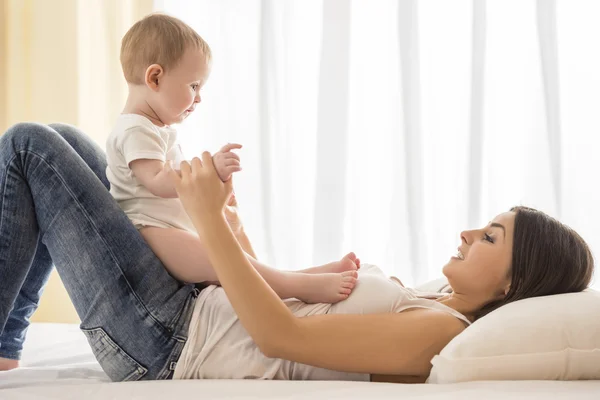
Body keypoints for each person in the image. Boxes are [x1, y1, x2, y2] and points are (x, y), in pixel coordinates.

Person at [0, 123, 594, 381]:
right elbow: (275, 303)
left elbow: (281, 338)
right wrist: (229, 223)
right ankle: (5, 346)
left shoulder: (439, 332)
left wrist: (207, 220)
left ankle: (3, 341)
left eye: (490, 237)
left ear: (515, 285)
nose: (468, 232)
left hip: (165, 339)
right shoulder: (432, 298)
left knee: (31, 147)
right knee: (69, 142)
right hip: (191, 308)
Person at [105, 13, 358, 305]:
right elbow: (158, 182)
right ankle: (297, 284)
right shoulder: (135, 129)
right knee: (221, 259)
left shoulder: (153, 129)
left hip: (169, 229)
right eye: (193, 86)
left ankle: (299, 276)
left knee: (232, 258)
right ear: (155, 77)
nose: (199, 98)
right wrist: (208, 170)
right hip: (151, 236)